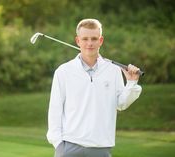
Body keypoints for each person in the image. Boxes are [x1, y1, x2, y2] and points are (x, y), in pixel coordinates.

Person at [46, 18, 142, 157]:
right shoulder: (63, 71)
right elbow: (55, 110)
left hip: (101, 146)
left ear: (100, 41)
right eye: (85, 39)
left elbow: (121, 104)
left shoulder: (113, 70)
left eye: (94, 38)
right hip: (70, 146)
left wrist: (132, 83)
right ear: (78, 41)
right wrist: (58, 144)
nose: (89, 43)